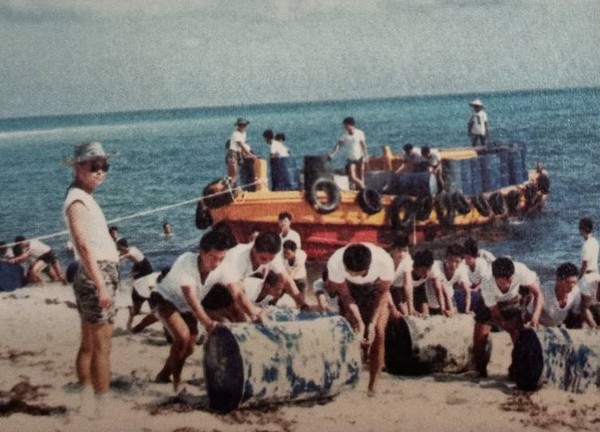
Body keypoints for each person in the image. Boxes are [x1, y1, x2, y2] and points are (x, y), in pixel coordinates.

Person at [63, 141, 120, 415]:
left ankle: (86, 398)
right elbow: (83, 245)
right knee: (101, 345)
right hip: (96, 273)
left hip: (97, 271)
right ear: (77, 167)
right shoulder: (76, 200)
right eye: (93, 166)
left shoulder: (84, 196)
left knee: (88, 342)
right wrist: (101, 285)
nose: (100, 171)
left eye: (104, 166)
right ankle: (102, 407)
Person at [151, 229, 232, 389]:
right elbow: (194, 302)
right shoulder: (186, 261)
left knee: (189, 348)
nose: (216, 263)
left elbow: (237, 291)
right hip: (163, 299)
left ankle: (163, 375)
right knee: (182, 337)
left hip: (184, 306)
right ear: (202, 252)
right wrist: (208, 324)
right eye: (213, 258)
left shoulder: (221, 266)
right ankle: (177, 380)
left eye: (221, 258)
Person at [326, 242, 394, 394]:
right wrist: (360, 322)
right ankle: (342, 379)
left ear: (368, 268)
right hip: (350, 289)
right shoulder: (335, 262)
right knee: (349, 330)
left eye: (357, 273)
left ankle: (372, 386)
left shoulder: (384, 261)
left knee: (378, 332)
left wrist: (371, 322)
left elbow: (383, 293)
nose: (353, 275)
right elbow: (345, 295)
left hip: (375, 288)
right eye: (350, 272)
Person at [202, 232, 310, 320]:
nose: (267, 262)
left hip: (231, 286)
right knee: (242, 318)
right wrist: (255, 313)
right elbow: (238, 293)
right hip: (211, 288)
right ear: (254, 248)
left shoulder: (271, 253)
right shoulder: (237, 258)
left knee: (245, 316)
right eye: (263, 259)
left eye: (270, 259)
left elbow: (286, 279)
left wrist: (303, 304)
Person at [472, 257, 543, 377]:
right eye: (504, 281)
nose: (509, 283)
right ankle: (480, 369)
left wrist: (535, 316)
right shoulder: (487, 282)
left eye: (510, 279)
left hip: (511, 300)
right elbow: (495, 312)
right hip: (489, 304)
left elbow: (538, 293)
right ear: (495, 278)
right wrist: (504, 324)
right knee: (479, 341)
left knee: (519, 341)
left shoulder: (520, 270)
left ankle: (515, 370)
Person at [534, 262, 588, 328]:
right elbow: (529, 314)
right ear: (558, 280)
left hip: (559, 324)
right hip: (541, 325)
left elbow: (576, 314)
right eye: (568, 282)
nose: (572, 286)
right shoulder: (544, 291)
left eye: (574, 282)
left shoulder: (576, 291)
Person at [425, 244, 471, 315]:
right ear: (446, 257)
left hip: (449, 299)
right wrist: (443, 309)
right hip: (431, 302)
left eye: (457, 261)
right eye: (451, 259)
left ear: (462, 261)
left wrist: (467, 310)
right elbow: (438, 290)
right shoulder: (435, 266)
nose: (453, 264)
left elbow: (467, 291)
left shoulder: (462, 269)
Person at [328, 117, 369, 190]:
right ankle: (363, 186)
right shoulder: (344, 135)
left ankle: (361, 191)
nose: (345, 127)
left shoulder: (359, 133)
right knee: (352, 177)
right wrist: (333, 153)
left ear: (351, 125)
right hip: (351, 158)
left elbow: (363, 145)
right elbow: (338, 145)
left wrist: (366, 156)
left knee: (361, 175)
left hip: (360, 157)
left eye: (346, 125)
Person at [388, 235, 415, 317]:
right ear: (392, 250)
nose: (402, 254)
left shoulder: (407, 259)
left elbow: (408, 285)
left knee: (406, 313)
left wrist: (411, 309)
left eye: (405, 250)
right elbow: (384, 289)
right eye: (399, 250)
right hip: (379, 289)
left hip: (395, 289)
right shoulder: (386, 260)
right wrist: (393, 308)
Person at [463, 238, 493, 311]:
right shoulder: (464, 263)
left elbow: (485, 280)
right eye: (465, 258)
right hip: (474, 287)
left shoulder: (481, 261)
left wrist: (475, 289)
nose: (466, 260)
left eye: (469, 258)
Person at [226, 118, 256, 183]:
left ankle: (234, 186)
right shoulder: (236, 134)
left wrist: (244, 155)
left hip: (238, 153)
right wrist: (250, 154)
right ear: (238, 126)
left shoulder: (244, 133)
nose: (243, 127)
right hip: (233, 153)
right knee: (233, 173)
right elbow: (241, 145)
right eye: (241, 125)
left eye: (244, 125)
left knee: (236, 174)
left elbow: (243, 145)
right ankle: (230, 187)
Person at [411, 249, 435, 314]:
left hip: (419, 291)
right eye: (423, 270)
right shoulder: (407, 271)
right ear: (415, 268)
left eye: (429, 269)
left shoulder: (428, 272)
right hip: (400, 293)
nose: (427, 273)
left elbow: (440, 289)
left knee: (425, 313)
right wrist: (411, 309)